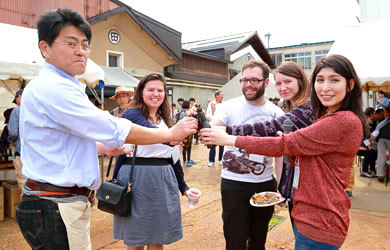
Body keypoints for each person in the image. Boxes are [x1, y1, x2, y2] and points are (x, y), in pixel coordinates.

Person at [17, 7, 197, 250]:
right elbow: (113, 127)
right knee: (138, 235)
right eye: (71, 44)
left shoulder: (63, 86)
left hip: (62, 200)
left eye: (85, 44)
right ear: (45, 48)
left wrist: (102, 148)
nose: (81, 51)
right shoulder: (54, 87)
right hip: (57, 202)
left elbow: (65, 141)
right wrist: (170, 134)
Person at [201, 54, 368, 249]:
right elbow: (298, 149)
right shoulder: (325, 115)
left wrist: (229, 136)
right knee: (235, 237)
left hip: (319, 216)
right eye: (320, 80)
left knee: (257, 238)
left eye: (334, 80)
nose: (325, 87)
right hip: (307, 210)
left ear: (350, 85)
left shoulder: (335, 118)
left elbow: (280, 140)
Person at [225, 61, 313, 228]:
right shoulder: (293, 107)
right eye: (279, 83)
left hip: (308, 190)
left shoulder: (305, 108)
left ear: (301, 81)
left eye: (288, 82)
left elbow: (267, 128)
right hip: (298, 188)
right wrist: (284, 189)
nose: (282, 87)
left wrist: (226, 132)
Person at [208, 60, 284, 250]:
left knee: (259, 240)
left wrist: (281, 186)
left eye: (254, 80)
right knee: (235, 239)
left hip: (265, 183)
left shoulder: (276, 112)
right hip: (234, 184)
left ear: (266, 83)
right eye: (245, 80)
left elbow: (281, 153)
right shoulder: (228, 107)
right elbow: (214, 130)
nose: (248, 84)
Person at [112, 73, 190, 249]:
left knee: (158, 236)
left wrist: (183, 187)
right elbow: (149, 132)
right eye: (150, 90)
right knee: (136, 237)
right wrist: (171, 136)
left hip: (163, 178)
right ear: (141, 92)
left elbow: (174, 158)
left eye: (160, 90)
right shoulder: (132, 115)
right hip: (137, 178)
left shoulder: (166, 121)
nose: (156, 94)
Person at [8, 88, 25, 192]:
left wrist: (13, 141)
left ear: (19, 97)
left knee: (24, 183)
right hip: (39, 154)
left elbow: (13, 133)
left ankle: (28, 207)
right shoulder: (39, 110)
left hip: (22, 153)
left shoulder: (17, 111)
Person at [206, 90, 225, 167]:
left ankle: (221, 159)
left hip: (222, 126)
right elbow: (207, 115)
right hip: (213, 126)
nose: (223, 96)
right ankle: (211, 160)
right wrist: (215, 118)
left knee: (222, 144)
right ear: (217, 96)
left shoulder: (225, 104)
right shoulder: (211, 104)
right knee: (213, 144)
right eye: (221, 95)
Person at [372, 106, 390, 183]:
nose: (384, 113)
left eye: (385, 112)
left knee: (381, 157)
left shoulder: (384, 121)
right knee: (382, 157)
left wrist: (372, 139)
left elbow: (376, 131)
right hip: (383, 138)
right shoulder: (385, 120)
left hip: (382, 138)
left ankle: (381, 175)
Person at [178, 100, 196, 167]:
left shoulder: (190, 112)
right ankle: (185, 161)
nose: (191, 105)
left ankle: (189, 159)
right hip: (185, 132)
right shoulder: (183, 113)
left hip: (190, 131)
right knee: (185, 147)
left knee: (189, 146)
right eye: (189, 104)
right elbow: (181, 123)